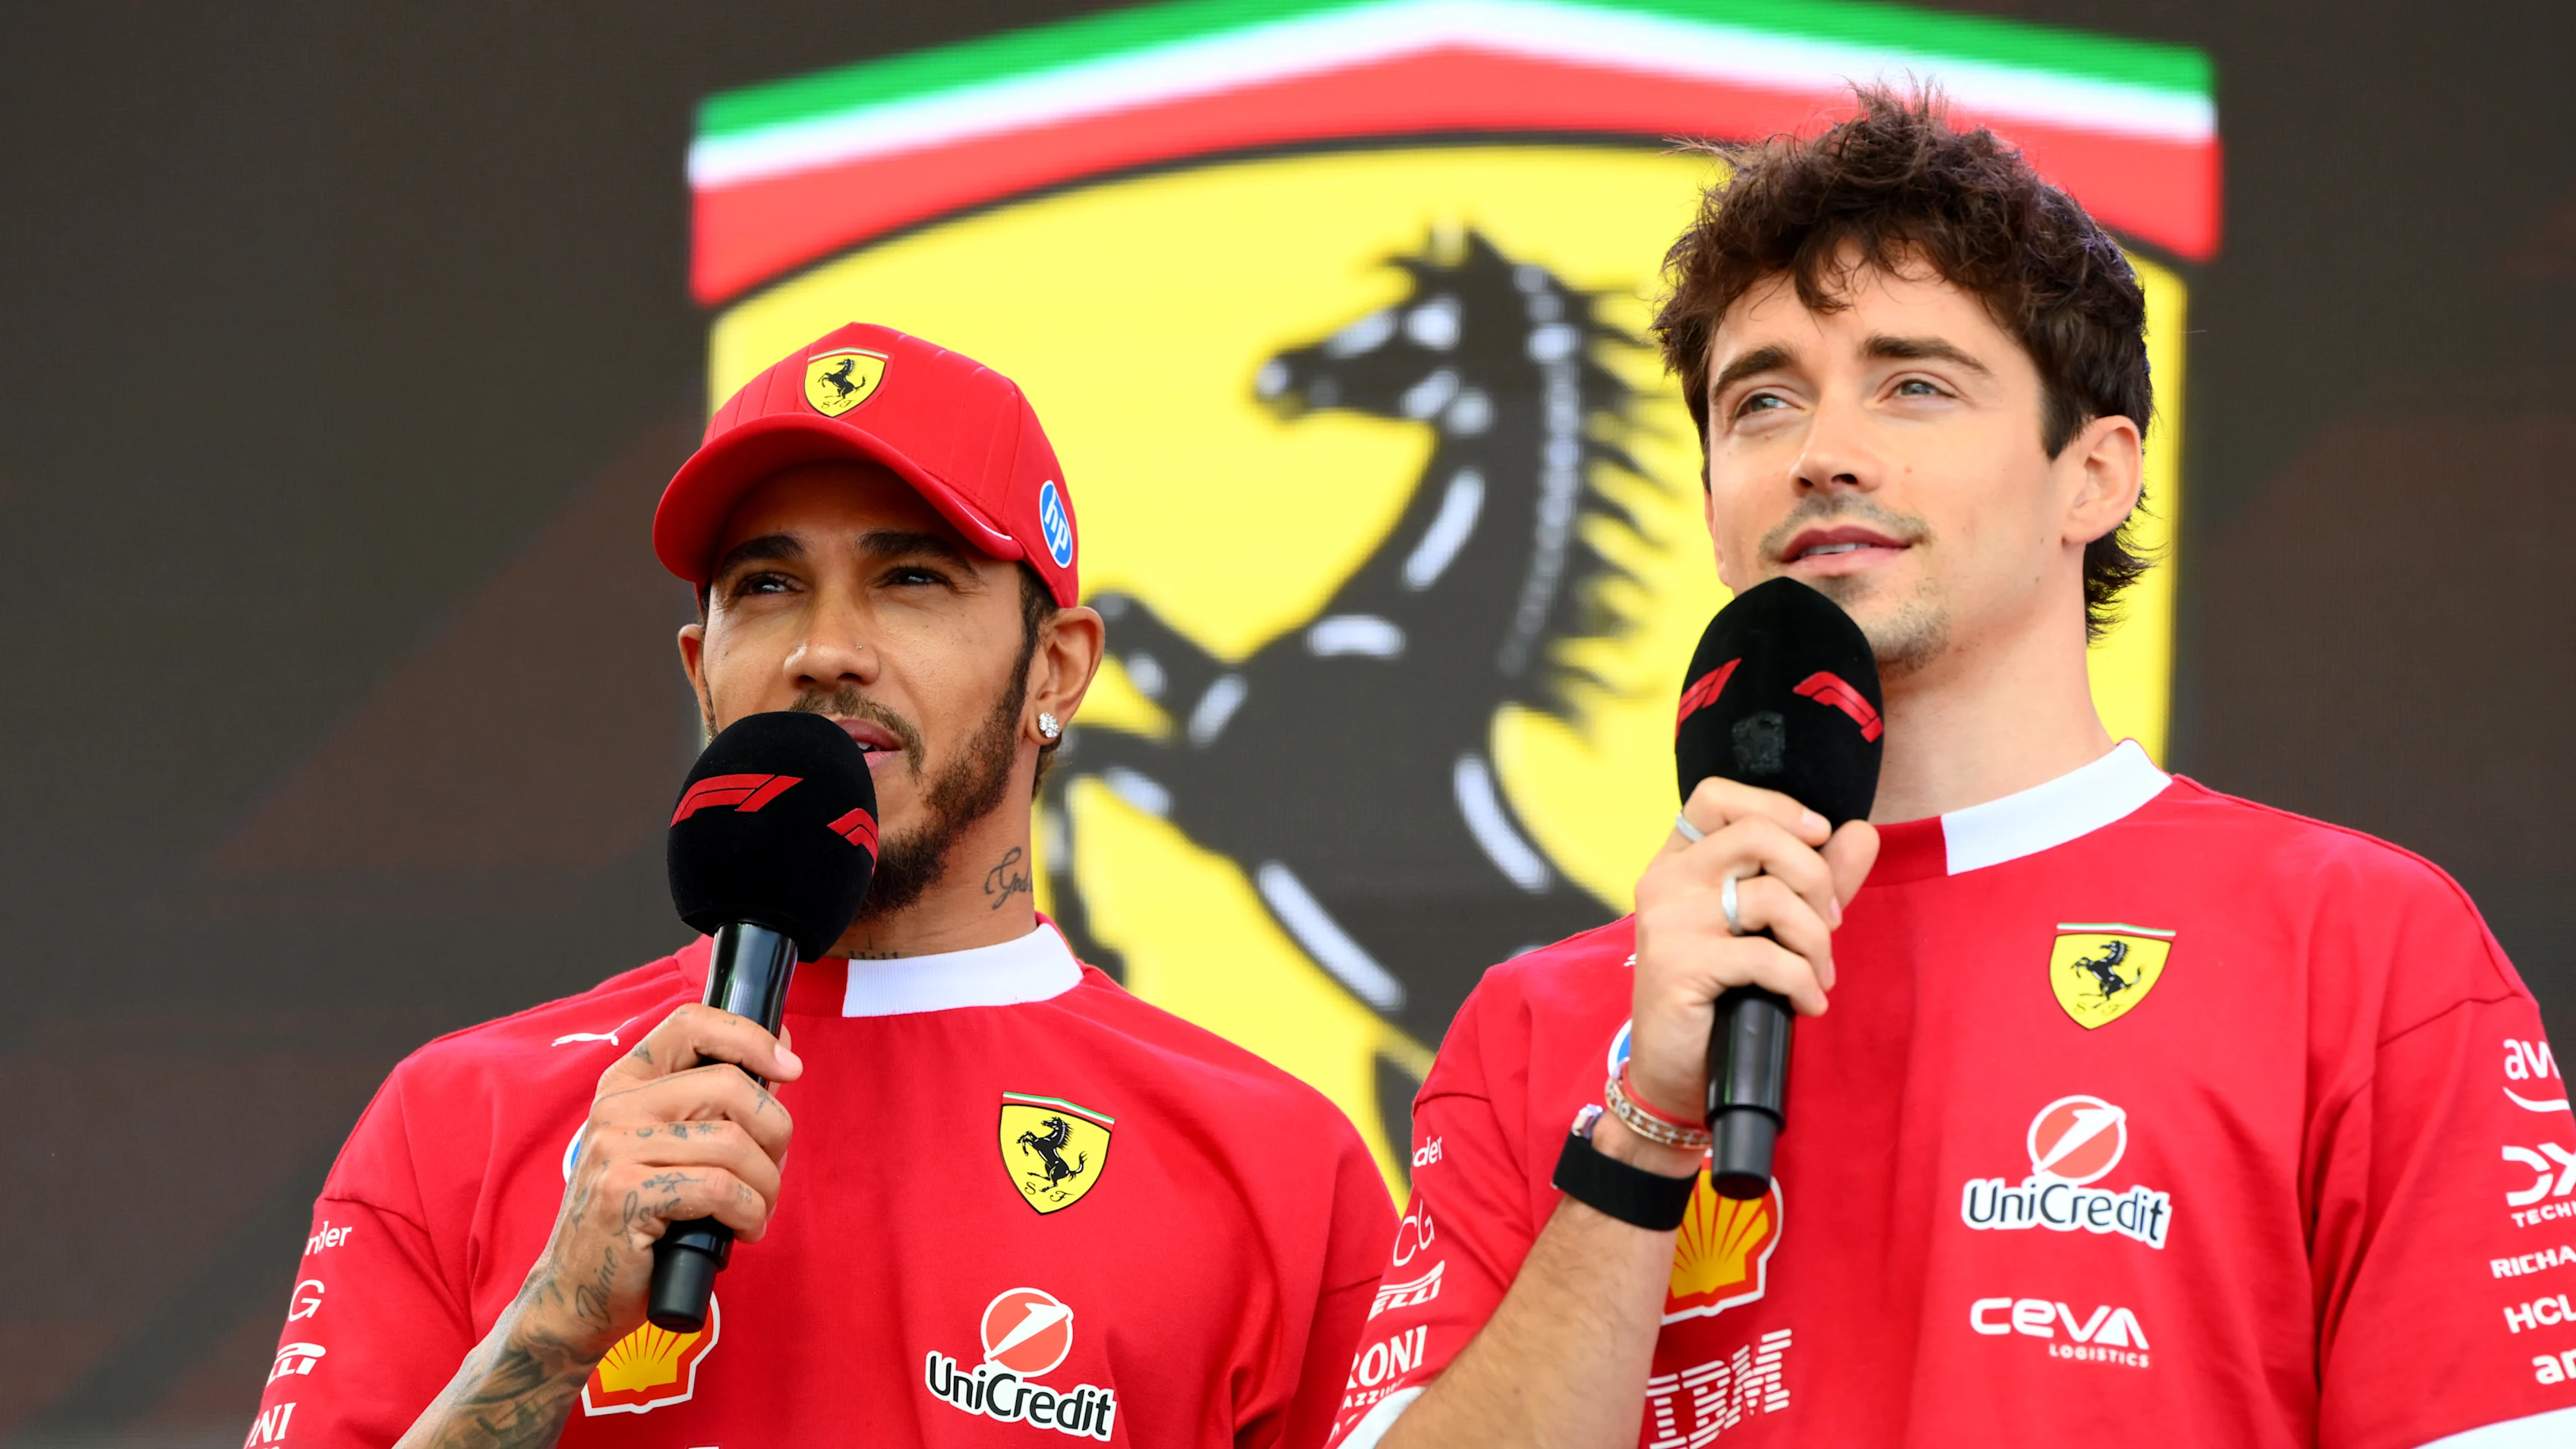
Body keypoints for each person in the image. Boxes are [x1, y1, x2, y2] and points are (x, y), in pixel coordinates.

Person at [1328, 90, 2576, 1449]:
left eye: (1914, 383)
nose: (1823, 455)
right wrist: (1643, 1128)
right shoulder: (1540, 1027)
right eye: (1762, 403)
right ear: (1711, 503)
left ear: (2093, 476)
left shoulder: (2362, 948)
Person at [247, 324, 1394, 1447]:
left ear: (1057, 668)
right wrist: (547, 1331)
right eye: (766, 585)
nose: (826, 648)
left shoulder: (1278, 1166)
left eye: (909, 577)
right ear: (702, 672)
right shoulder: (462, 1116)